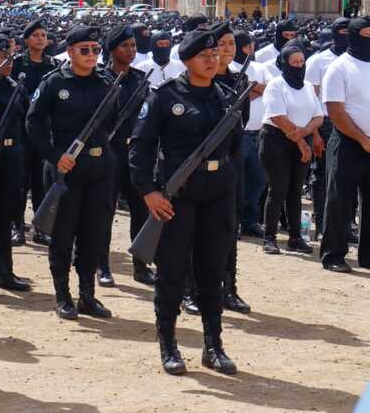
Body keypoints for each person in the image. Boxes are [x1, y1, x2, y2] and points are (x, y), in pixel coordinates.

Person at [130, 29, 240, 376]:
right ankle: (169, 345)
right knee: (173, 271)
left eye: (214, 55)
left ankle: (214, 345)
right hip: (177, 196)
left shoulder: (225, 95)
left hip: (217, 193)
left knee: (212, 270)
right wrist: (148, 191)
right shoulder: (165, 96)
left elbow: (234, 146)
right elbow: (140, 146)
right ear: (187, 60)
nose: (212, 60)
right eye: (203, 56)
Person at [26, 25, 117, 321]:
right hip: (66, 169)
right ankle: (63, 296)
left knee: (93, 234)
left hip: (99, 168)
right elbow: (34, 123)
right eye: (84, 50)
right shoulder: (53, 83)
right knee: (63, 235)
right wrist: (54, 156)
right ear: (70, 52)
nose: (91, 55)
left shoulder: (106, 82)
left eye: (95, 50)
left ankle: (87, 295)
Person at [102, 25, 155, 286]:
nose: (131, 50)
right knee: (104, 212)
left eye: (133, 46)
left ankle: (141, 266)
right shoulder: (100, 78)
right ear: (112, 50)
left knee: (140, 211)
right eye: (125, 46)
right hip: (107, 154)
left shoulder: (140, 79)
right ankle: (102, 266)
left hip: (134, 155)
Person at [260, 42, 323, 255]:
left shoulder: (306, 87)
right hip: (275, 140)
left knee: (295, 192)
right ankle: (269, 237)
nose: (299, 66)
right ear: (284, 64)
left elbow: (318, 116)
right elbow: (278, 117)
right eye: (294, 62)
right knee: (278, 189)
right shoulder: (276, 85)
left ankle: (295, 237)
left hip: (299, 141)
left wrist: (307, 134)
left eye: (302, 62)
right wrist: (301, 141)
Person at [0, 34, 31, 292]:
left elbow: (26, 127)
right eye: (3, 57)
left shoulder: (16, 88)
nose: (9, 61)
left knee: (3, 218)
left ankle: (5, 272)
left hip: (10, 159)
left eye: (10, 56)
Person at [320, 16, 370, 272]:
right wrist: (362, 138)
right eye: (367, 35)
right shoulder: (339, 68)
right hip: (348, 142)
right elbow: (335, 111)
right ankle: (334, 254)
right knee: (340, 199)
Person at [11, 19, 57, 246]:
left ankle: (40, 228)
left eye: (43, 35)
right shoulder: (17, 65)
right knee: (20, 182)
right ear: (27, 40)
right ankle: (17, 226)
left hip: (44, 132)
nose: (41, 39)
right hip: (21, 130)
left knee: (41, 182)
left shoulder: (54, 66)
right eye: (36, 35)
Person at [306, 18, 348, 239]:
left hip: (353, 125)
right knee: (322, 175)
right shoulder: (318, 61)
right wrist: (314, 133)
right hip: (324, 123)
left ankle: (346, 226)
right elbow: (310, 98)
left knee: (348, 178)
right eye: (342, 31)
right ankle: (322, 224)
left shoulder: (360, 60)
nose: (346, 35)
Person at [230, 30, 270, 240]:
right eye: (246, 46)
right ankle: (233, 222)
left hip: (260, 132)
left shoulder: (259, 67)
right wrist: (252, 89)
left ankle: (250, 221)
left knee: (258, 180)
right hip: (239, 134)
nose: (250, 50)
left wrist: (250, 88)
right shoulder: (228, 67)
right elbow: (234, 94)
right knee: (235, 181)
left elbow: (271, 89)